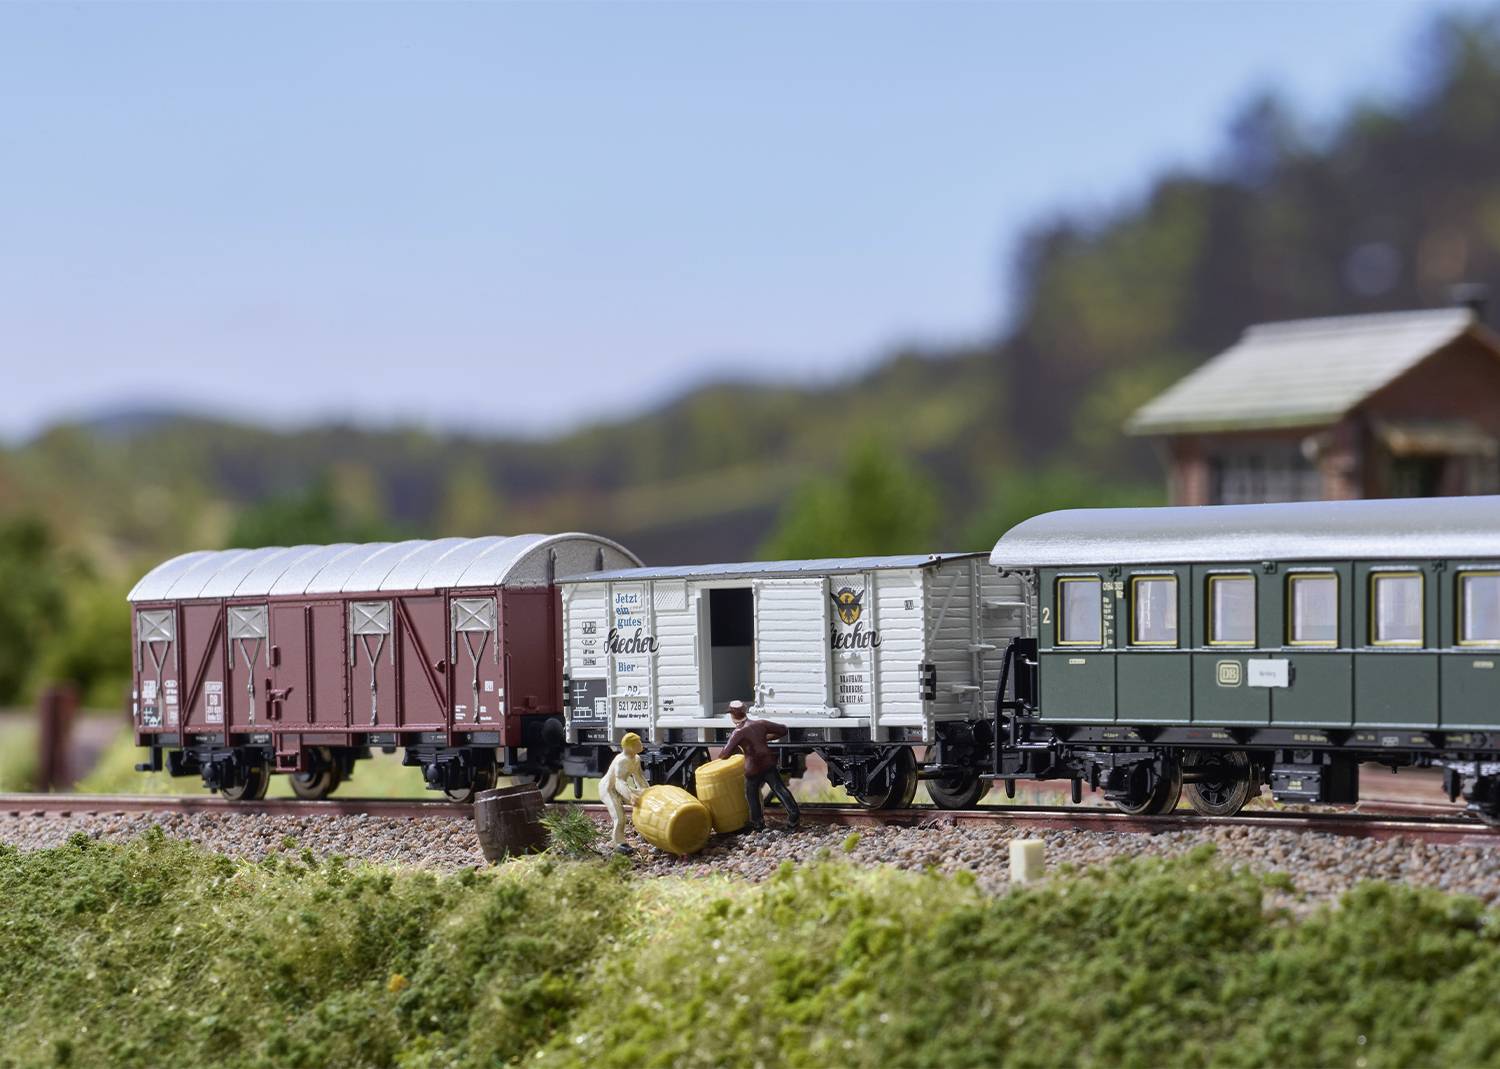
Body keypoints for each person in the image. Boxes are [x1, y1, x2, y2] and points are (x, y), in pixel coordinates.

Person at [718, 700, 800, 832]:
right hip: (768, 762)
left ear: (732, 716)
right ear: (745, 711)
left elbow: (724, 754)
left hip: (753, 768)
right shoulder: (761, 724)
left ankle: (758, 823)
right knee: (779, 788)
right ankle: (794, 816)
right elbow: (783, 730)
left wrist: (735, 748)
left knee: (751, 794)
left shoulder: (738, 732)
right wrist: (766, 738)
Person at [599, 732, 647, 852]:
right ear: (629, 746)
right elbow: (618, 782)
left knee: (642, 805)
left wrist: (647, 791)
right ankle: (619, 844)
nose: (641, 745)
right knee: (619, 817)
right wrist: (631, 796)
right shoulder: (621, 761)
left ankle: (646, 832)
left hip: (621, 788)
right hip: (608, 789)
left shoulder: (636, 759)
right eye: (638, 743)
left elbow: (639, 778)